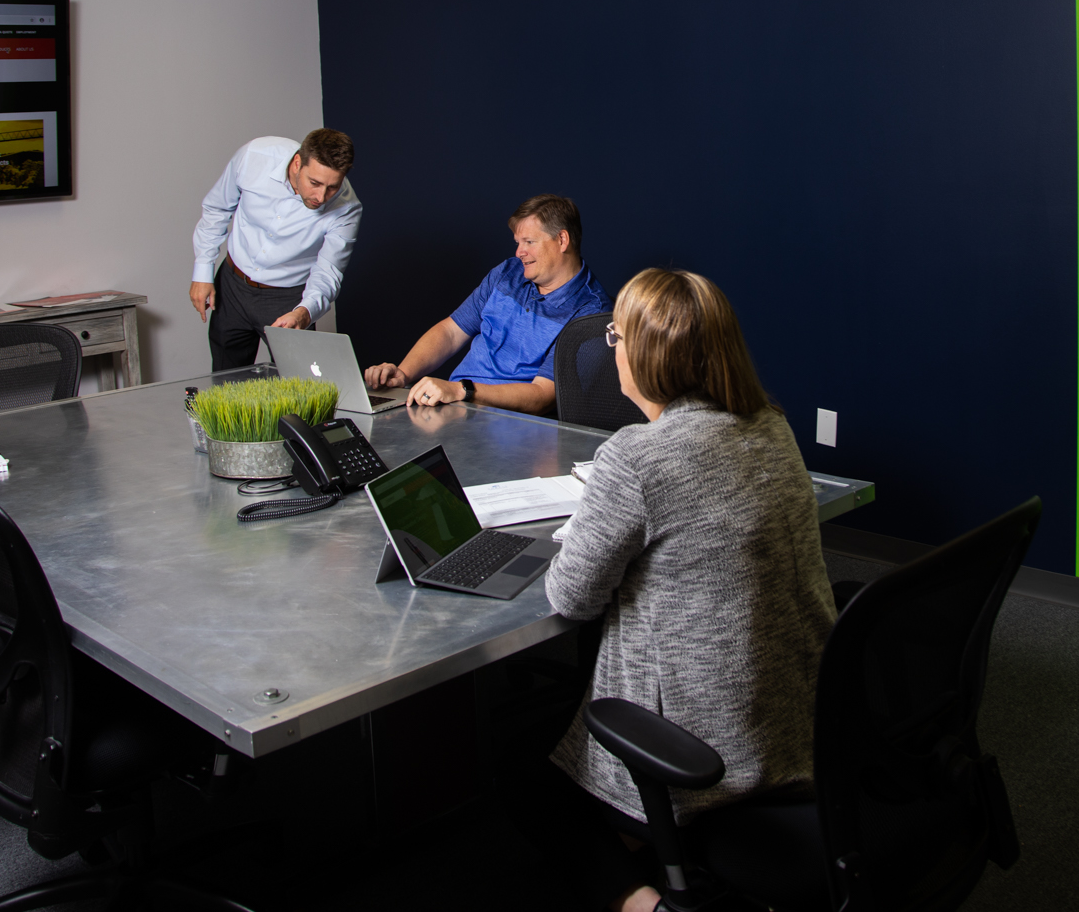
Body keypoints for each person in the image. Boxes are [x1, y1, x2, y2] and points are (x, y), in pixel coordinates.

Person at [536, 268, 835, 912]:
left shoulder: (637, 458)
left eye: (615, 335)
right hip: (801, 723)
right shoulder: (770, 425)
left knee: (528, 778)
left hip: (705, 757)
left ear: (640, 355)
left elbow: (571, 599)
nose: (611, 347)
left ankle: (645, 903)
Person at [364, 194, 607, 415]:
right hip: (452, 407)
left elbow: (543, 396)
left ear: (562, 240)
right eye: (517, 242)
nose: (519, 252)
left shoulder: (592, 312)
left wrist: (463, 391)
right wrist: (403, 374)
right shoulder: (507, 273)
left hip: (510, 429)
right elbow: (450, 332)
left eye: (529, 242)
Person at [190, 129, 361, 373]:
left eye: (333, 187)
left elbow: (328, 271)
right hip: (232, 286)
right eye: (315, 183)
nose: (321, 197)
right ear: (297, 163)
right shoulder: (254, 156)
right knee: (225, 382)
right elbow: (217, 209)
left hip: (288, 300)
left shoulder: (347, 208)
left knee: (300, 388)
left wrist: (304, 313)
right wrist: (202, 271)